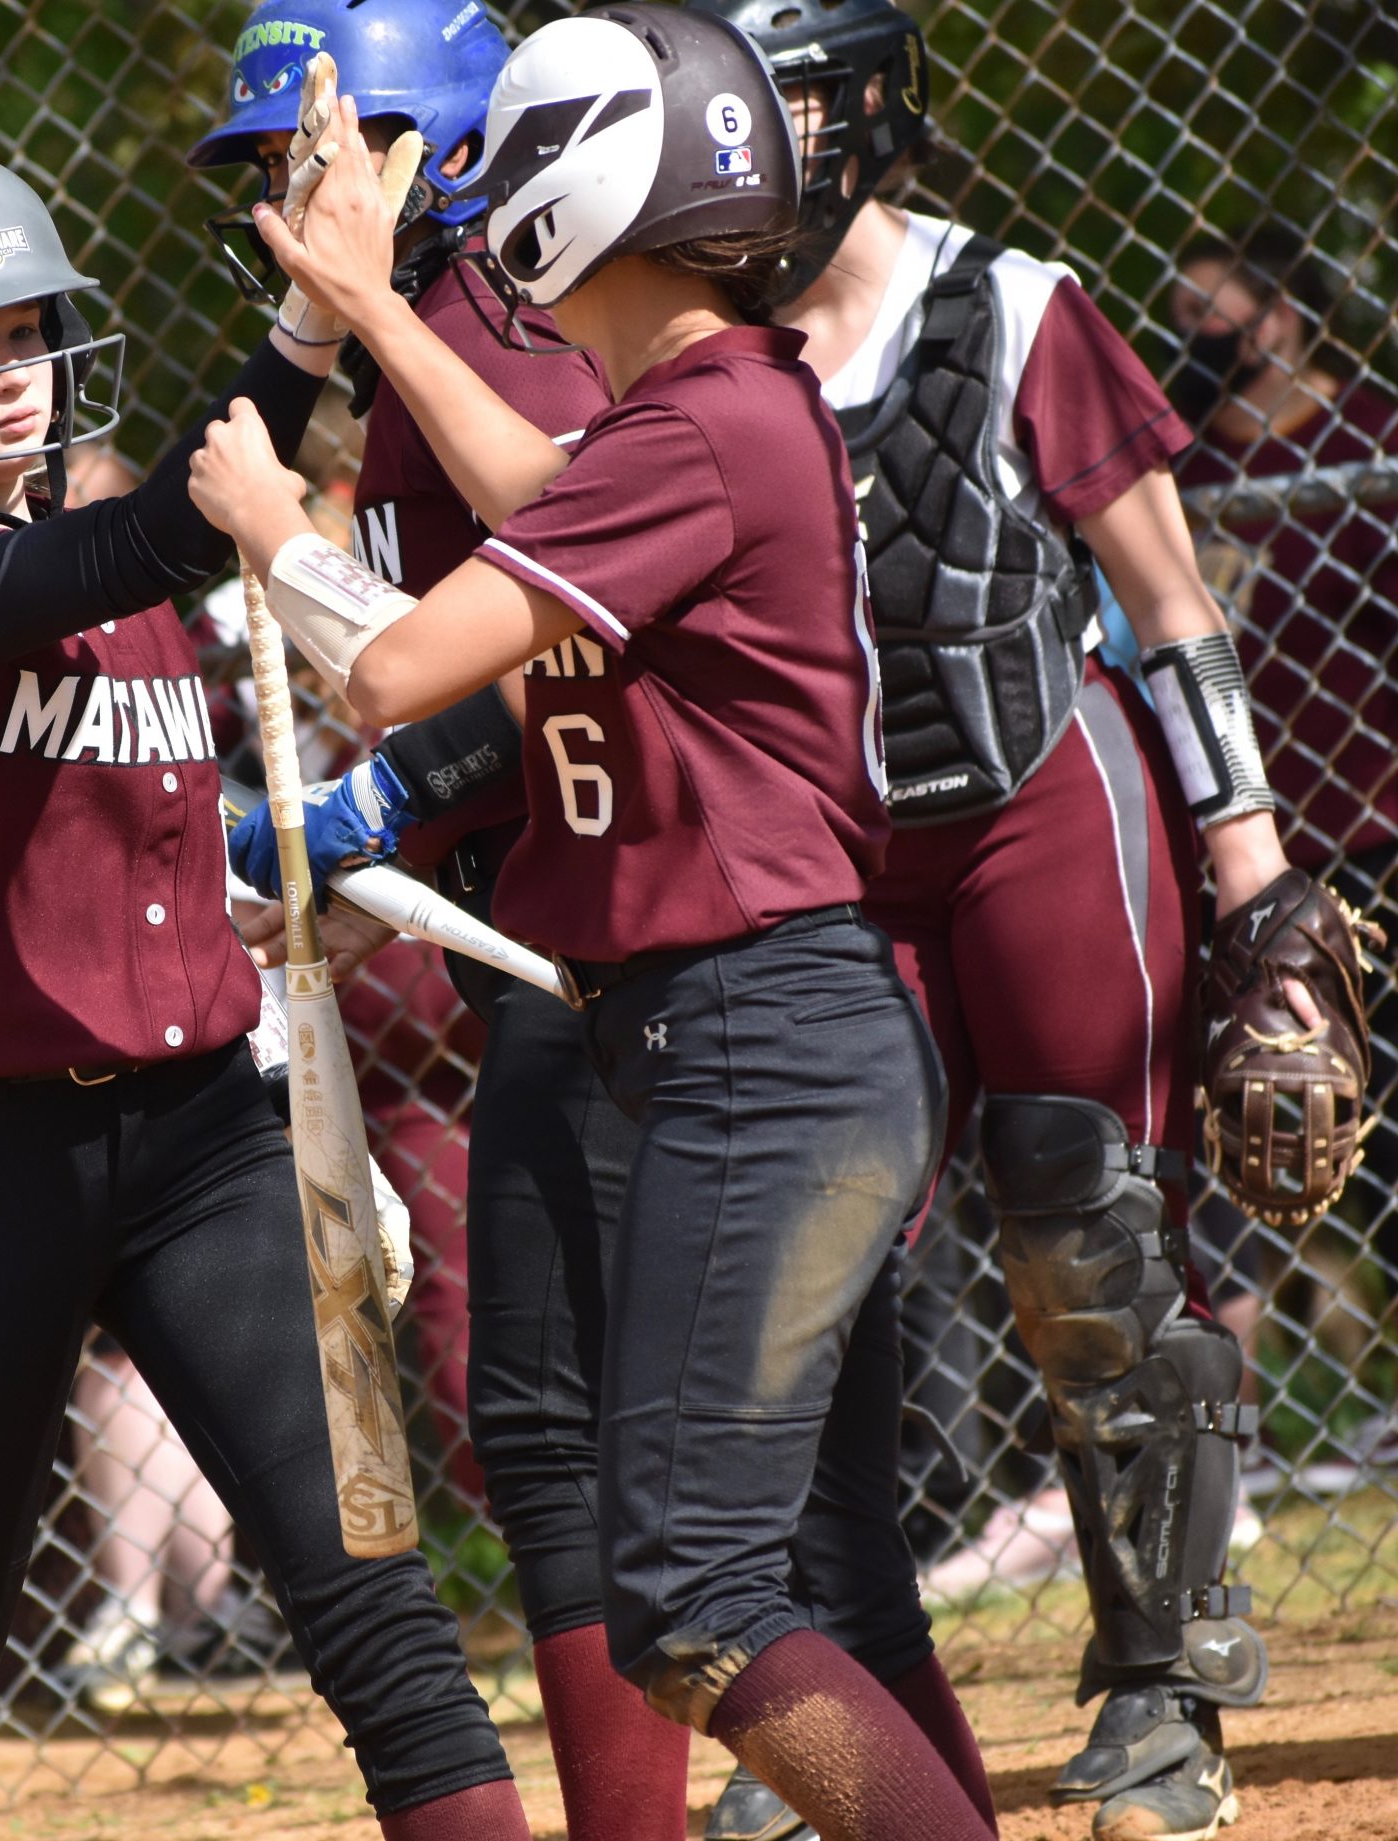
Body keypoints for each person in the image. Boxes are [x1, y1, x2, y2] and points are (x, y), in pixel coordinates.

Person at [188, 11, 999, 1840]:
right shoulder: (705, 411)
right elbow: (539, 499)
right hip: (761, 1033)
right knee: (734, 1579)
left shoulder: (697, 429)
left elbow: (397, 665)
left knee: (699, 1599)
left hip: (752, 1043)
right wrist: (380, 310)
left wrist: (267, 532)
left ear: (563, 196)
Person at [0, 148, 533, 1839]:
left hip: (202, 1141)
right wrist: (307, 326)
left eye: (23, 334)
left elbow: (142, 788)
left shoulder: (111, 584)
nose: (6, 378)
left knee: (378, 1615)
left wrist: (299, 843)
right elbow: (142, 544)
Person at [694, 5, 1302, 1837]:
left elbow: (1166, 595)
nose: (741, 153)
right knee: (807, 1273)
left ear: (867, 104)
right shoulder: (692, 353)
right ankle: (843, 1726)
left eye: (776, 110)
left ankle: (1163, 1687)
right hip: (825, 853)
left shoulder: (1010, 307)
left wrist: (1248, 858)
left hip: (1039, 798)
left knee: (1083, 1223)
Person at [189, 10, 679, 1828]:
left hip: (649, 941)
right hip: (552, 926)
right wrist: (364, 859)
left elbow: (562, 616)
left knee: (608, 1446)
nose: (277, 196)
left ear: (444, 155)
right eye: (264, 168)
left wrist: (375, 778)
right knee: (556, 1440)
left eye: (310, 151)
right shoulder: (416, 363)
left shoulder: (505, 337)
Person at [1168, 225, 1398, 1497]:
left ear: (1285, 320)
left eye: (1221, 315)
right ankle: (1240, 1431)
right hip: (1264, 848)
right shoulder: (1191, 467)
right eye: (1183, 317)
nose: (1200, 340)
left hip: (1376, 825)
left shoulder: (1363, 437)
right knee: (1275, 1115)